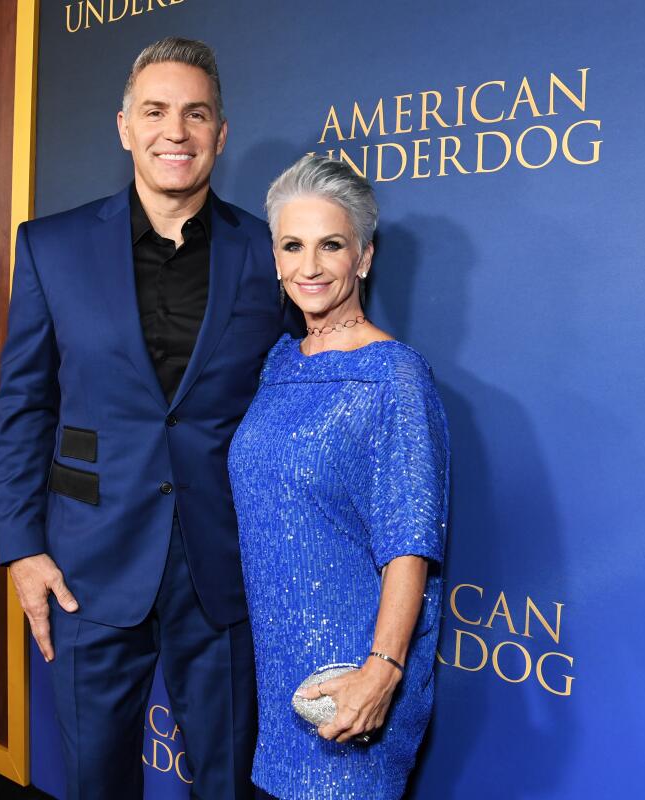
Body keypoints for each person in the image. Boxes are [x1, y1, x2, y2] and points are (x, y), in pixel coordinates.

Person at [0, 38, 285, 800]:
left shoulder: (270, 252)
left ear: (221, 132)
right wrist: (22, 549)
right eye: (155, 111)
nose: (174, 132)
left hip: (223, 569)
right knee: (94, 782)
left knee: (227, 784)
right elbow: (26, 404)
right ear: (124, 125)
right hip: (86, 568)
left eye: (196, 114)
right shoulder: (49, 247)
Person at [228, 155, 450, 800]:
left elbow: (410, 543)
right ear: (275, 258)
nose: (311, 266)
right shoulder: (280, 362)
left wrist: (379, 673)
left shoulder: (394, 376)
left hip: (348, 672)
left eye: (332, 245)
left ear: (364, 257)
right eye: (293, 246)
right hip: (277, 668)